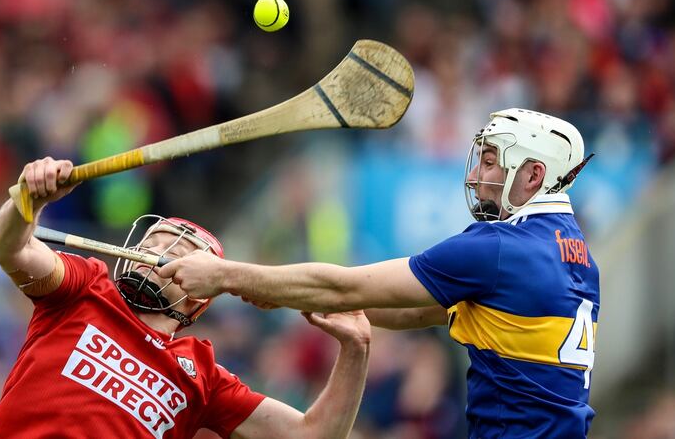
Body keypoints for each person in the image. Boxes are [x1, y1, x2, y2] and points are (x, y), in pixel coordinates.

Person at [160, 108, 601, 438]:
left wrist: (226, 275)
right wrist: (296, 296)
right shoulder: (577, 256)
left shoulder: (501, 249)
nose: (474, 174)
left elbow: (342, 286)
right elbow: (414, 313)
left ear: (534, 175)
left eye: (489, 161)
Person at [0, 157, 371, 439]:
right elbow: (8, 247)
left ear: (198, 295)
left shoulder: (204, 378)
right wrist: (29, 200)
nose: (156, 253)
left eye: (177, 252)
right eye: (153, 243)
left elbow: (312, 435)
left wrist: (357, 349)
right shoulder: (85, 288)